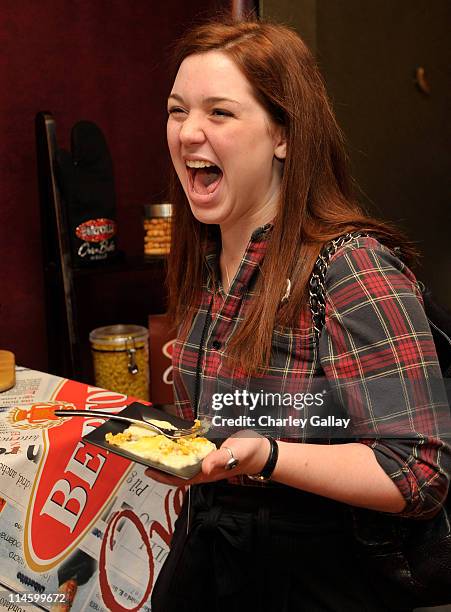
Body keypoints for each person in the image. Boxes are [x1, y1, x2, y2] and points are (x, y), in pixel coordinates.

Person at [146, 18, 450, 612]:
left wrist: (268, 455)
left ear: (283, 133)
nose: (188, 133)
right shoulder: (211, 254)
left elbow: (418, 471)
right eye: (177, 110)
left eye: (220, 113)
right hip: (221, 560)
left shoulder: (352, 267)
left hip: (316, 580)